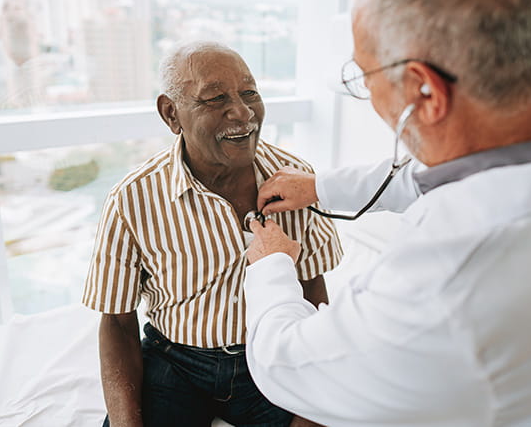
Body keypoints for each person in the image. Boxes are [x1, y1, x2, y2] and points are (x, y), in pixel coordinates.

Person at [242, 0, 531, 426]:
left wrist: (271, 266)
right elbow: (434, 179)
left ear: (425, 93)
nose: (368, 92)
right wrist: (319, 186)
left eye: (363, 74)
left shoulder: (444, 284)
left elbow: (283, 362)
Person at [82, 41, 342, 427]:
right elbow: (118, 322)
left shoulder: (295, 176)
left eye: (249, 92)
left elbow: (312, 290)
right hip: (176, 362)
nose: (241, 112)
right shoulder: (133, 198)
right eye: (215, 98)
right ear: (171, 114)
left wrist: (314, 402)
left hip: (269, 355)